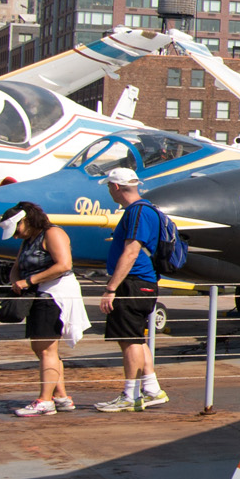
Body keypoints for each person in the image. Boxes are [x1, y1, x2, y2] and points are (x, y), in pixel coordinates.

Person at [89, 170, 177, 412]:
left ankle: (131, 395)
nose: (109, 190)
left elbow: (131, 252)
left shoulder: (137, 212)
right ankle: (152, 390)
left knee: (129, 341)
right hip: (143, 282)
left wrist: (110, 288)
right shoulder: (147, 209)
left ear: (116, 187)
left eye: (109, 186)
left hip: (133, 283)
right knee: (136, 338)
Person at [2, 202, 84, 417]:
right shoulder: (29, 239)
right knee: (42, 349)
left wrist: (29, 281)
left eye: (16, 230)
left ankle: (45, 400)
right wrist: (16, 281)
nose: (16, 236)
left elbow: (64, 265)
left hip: (54, 295)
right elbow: (17, 266)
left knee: (46, 349)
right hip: (38, 295)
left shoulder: (53, 233)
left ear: (26, 221)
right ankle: (61, 396)